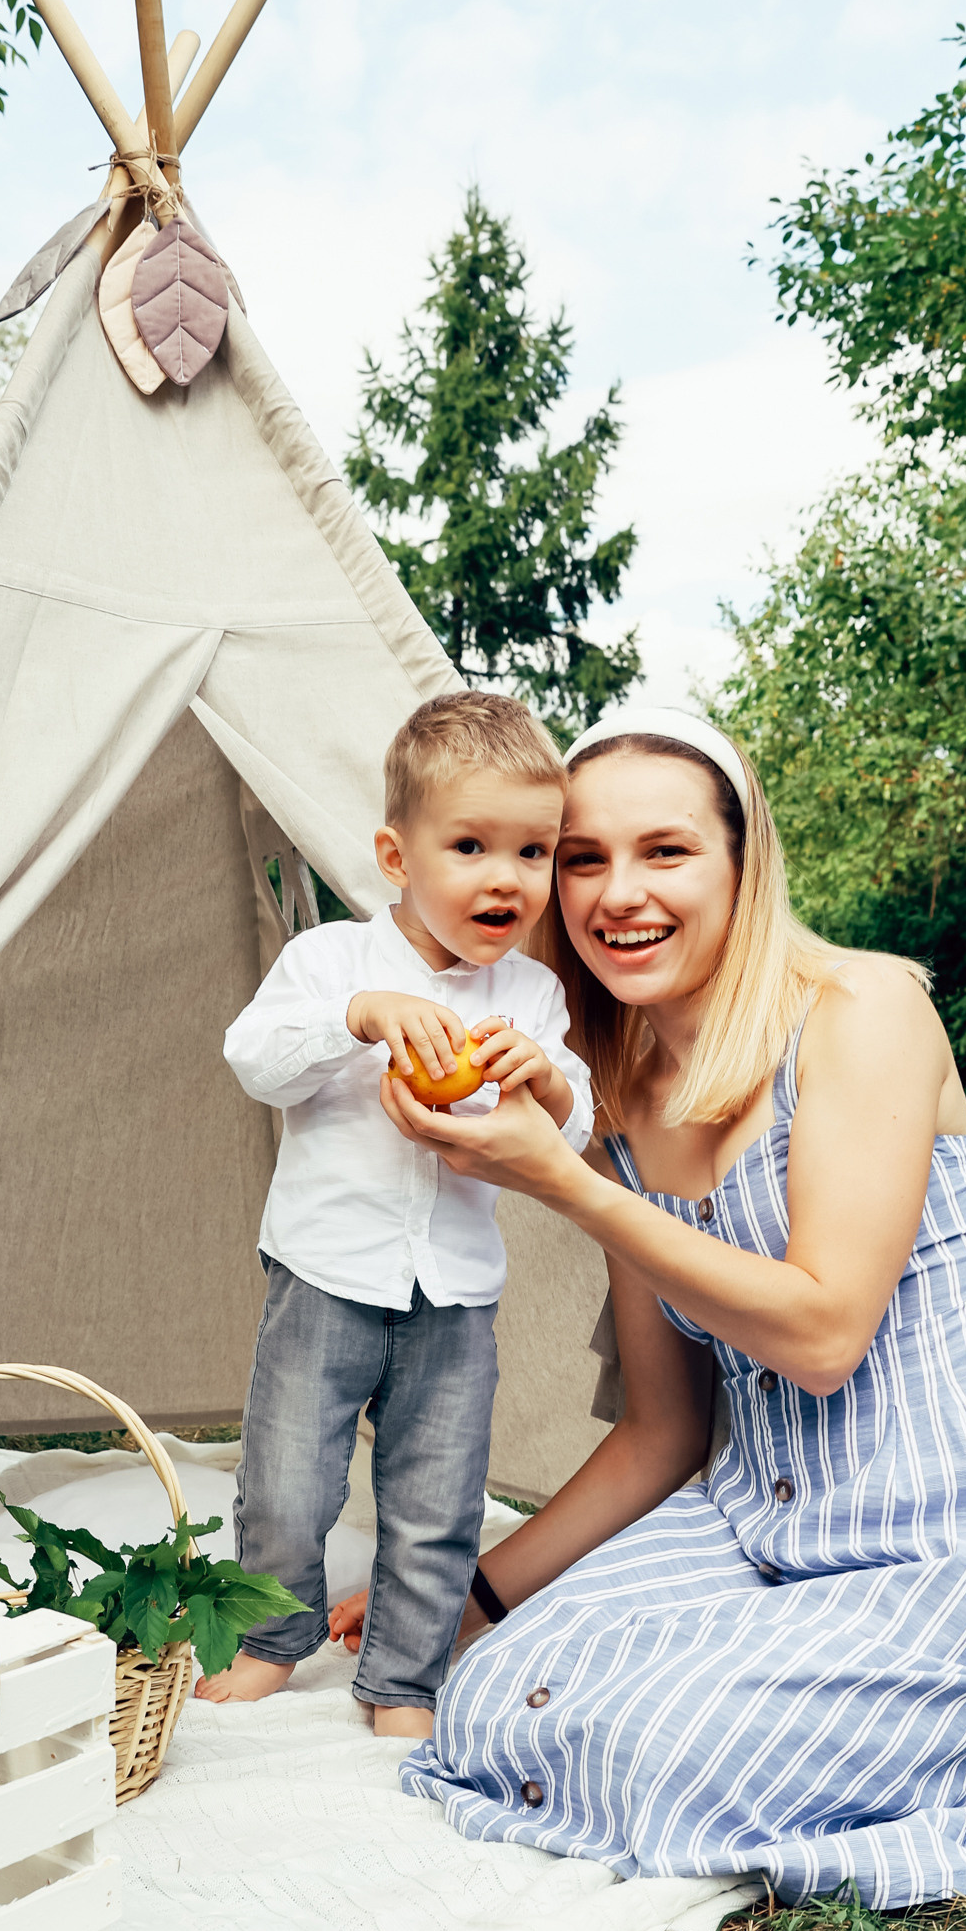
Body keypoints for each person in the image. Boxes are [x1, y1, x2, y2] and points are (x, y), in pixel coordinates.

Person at [337, 704, 966, 1907]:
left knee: (652, 1751)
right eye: (583, 857)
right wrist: (477, 1593)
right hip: (766, 1522)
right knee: (504, 1698)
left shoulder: (860, 1010)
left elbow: (823, 1334)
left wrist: (559, 1181)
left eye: (665, 850)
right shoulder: (620, 1095)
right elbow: (667, 1430)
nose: (621, 893)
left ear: (740, 861)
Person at [205, 689, 594, 1739]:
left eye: (533, 852)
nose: (505, 876)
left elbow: (581, 1120)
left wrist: (549, 1084)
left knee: (436, 1499)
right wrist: (356, 1017)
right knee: (289, 1477)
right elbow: (256, 1060)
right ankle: (269, 1638)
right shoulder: (331, 961)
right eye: (470, 844)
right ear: (397, 853)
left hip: (455, 1293)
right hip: (326, 1271)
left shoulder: (531, 997)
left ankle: (403, 1682)